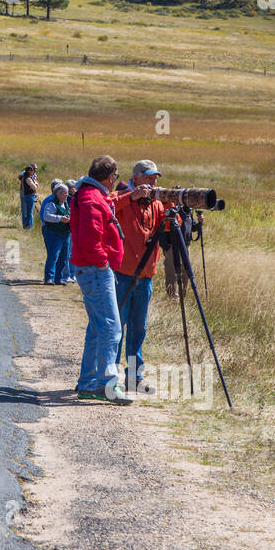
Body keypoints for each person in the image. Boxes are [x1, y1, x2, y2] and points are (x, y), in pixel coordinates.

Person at [71, 155, 149, 404]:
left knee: (97, 327)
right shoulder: (91, 198)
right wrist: (104, 262)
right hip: (96, 271)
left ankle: (88, 383)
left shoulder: (91, 194)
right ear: (109, 176)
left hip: (92, 269)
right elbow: (89, 239)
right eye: (115, 176)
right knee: (112, 328)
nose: (116, 180)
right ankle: (107, 385)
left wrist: (131, 196)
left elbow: (110, 206)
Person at [114, 160, 165, 395]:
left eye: (155, 177)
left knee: (138, 328)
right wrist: (131, 197)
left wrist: (176, 209)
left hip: (146, 276)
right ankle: (110, 376)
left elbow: (167, 230)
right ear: (135, 177)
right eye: (149, 176)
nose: (154, 181)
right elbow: (107, 206)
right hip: (122, 275)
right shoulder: (123, 196)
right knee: (117, 328)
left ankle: (134, 377)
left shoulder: (155, 204)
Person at [39, 181, 71, 284]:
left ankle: (59, 278)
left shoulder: (65, 204)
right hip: (53, 234)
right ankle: (49, 278)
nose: (67, 195)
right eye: (65, 193)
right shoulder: (51, 204)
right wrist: (60, 218)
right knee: (53, 256)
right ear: (58, 193)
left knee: (64, 257)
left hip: (65, 234)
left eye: (67, 192)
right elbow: (46, 216)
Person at [18, 164, 38, 228]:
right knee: (27, 211)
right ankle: (28, 226)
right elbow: (34, 186)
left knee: (28, 211)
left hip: (28, 194)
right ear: (29, 171)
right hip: (27, 195)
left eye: (35, 169)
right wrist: (35, 184)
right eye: (33, 169)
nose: (34, 170)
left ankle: (26, 225)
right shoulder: (27, 177)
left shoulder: (30, 176)